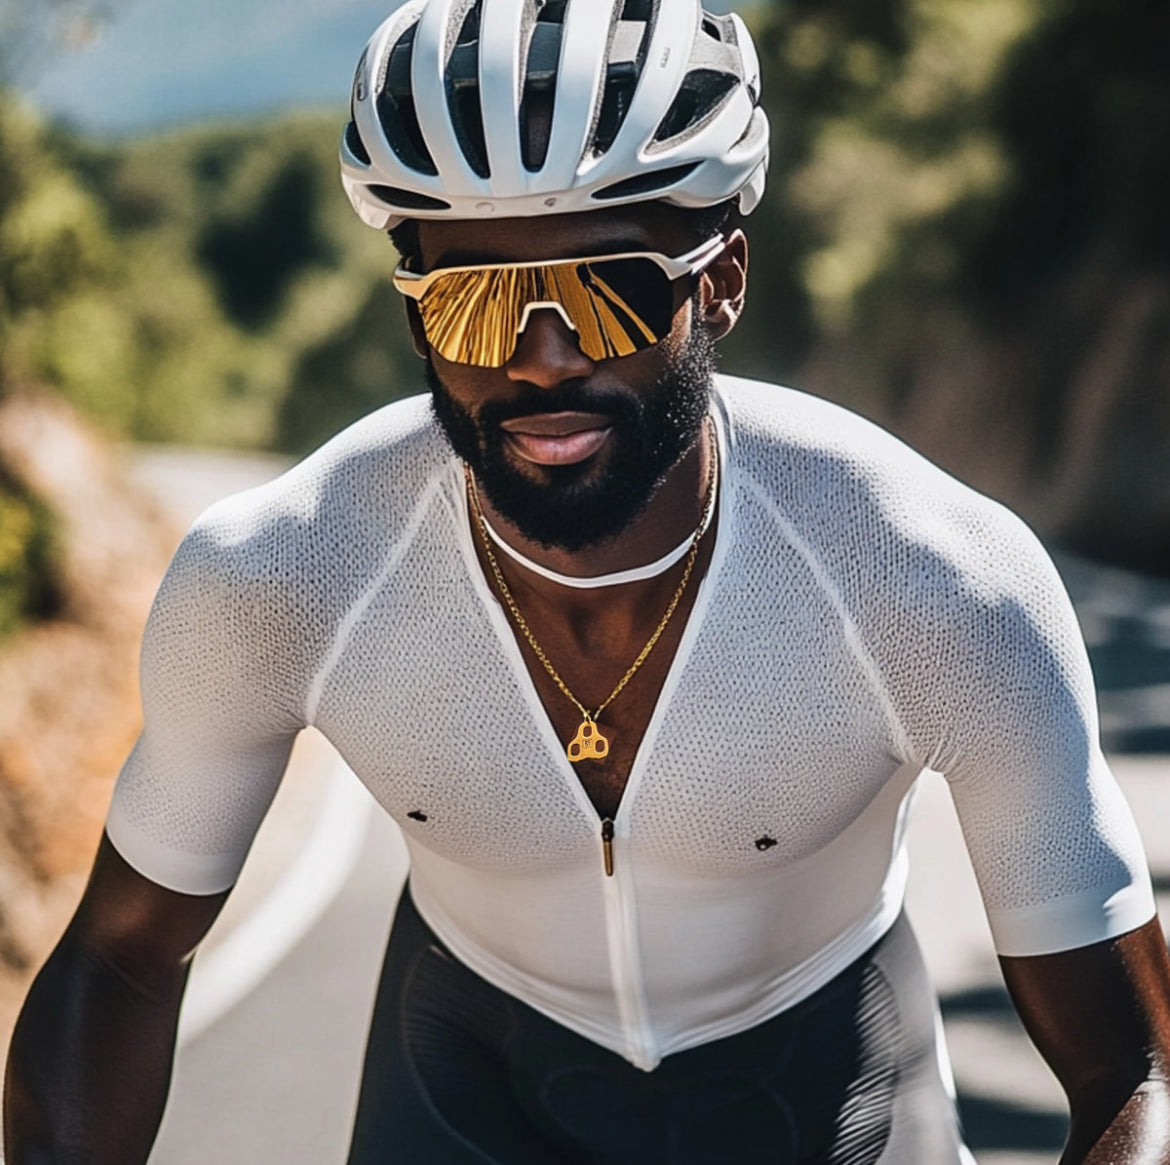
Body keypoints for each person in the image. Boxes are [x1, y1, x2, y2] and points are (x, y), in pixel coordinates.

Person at [6, 1, 1170, 1161]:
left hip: (829, 1093)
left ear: (722, 280)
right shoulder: (281, 576)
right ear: (413, 313)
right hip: (467, 1088)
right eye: (474, 301)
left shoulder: (936, 581)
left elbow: (1135, 1068)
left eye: (610, 289)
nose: (541, 358)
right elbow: (119, 956)